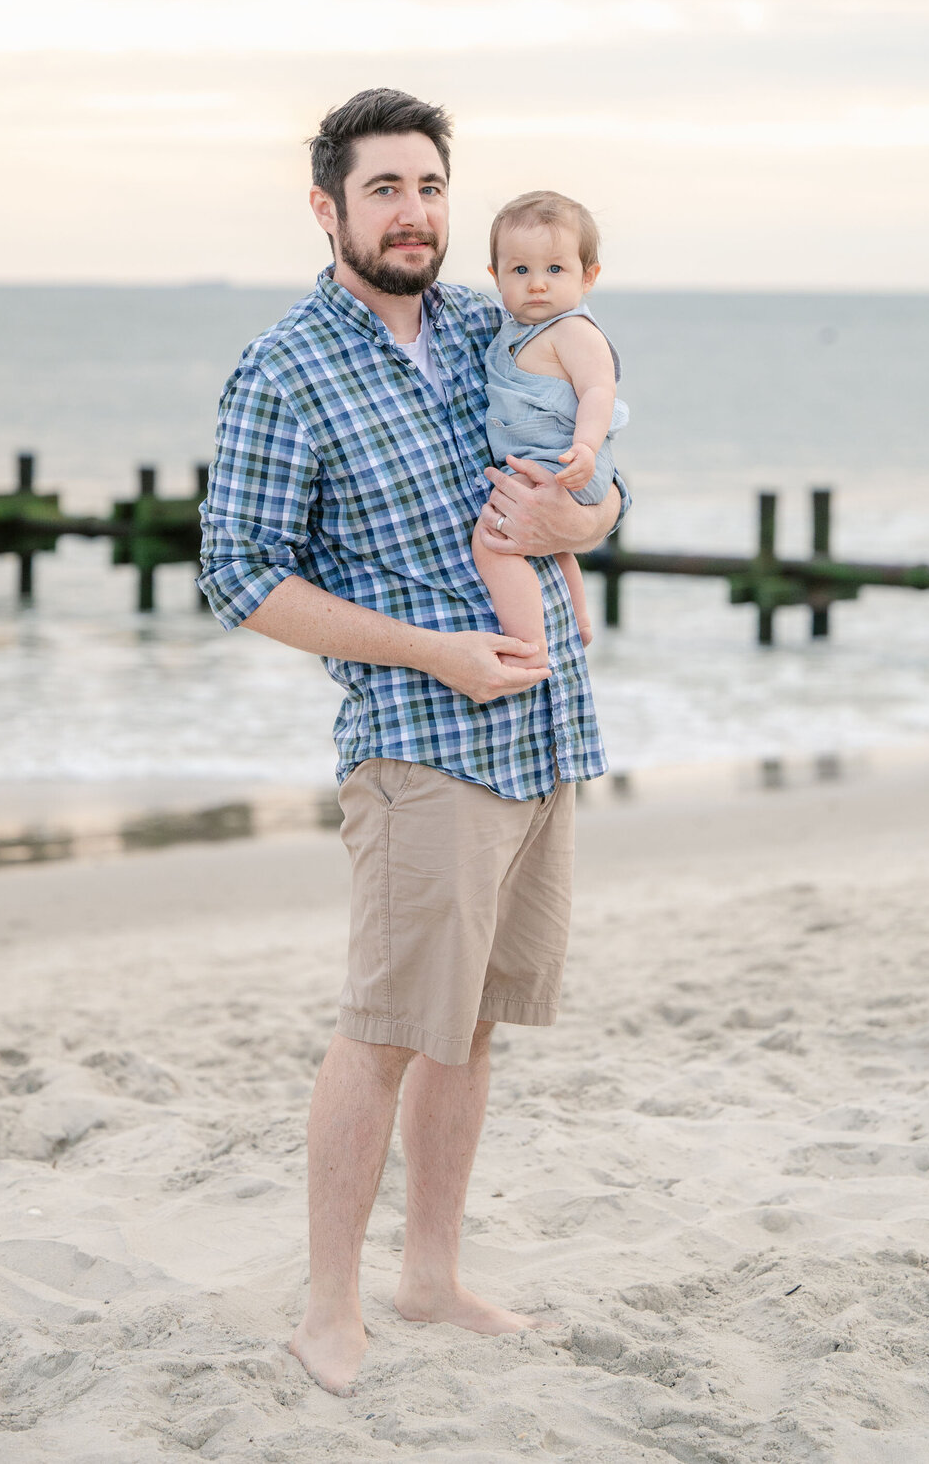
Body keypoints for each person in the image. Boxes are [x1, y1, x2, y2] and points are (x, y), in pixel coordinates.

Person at [198, 87, 629, 1398]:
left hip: (541, 726)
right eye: (384, 188)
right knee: (385, 1024)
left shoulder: (501, 324)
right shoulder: (286, 368)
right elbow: (241, 574)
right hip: (420, 738)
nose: (414, 212)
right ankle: (331, 1304)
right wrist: (435, 648)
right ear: (327, 206)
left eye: (430, 186)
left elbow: (587, 498)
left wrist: (580, 522)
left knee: (474, 1021)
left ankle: (430, 1271)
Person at [472, 189, 628, 664]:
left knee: (494, 540)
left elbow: (600, 392)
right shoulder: (512, 331)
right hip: (549, 460)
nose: (537, 284)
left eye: (555, 270)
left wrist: (584, 447)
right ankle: (579, 621)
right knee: (552, 543)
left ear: (588, 277)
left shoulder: (574, 331)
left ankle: (530, 645)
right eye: (521, 271)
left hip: (566, 459)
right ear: (496, 278)